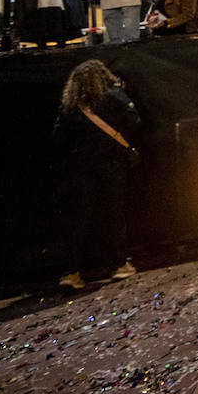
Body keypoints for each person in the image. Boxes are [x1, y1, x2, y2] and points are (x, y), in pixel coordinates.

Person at [51, 59, 141, 289]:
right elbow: (133, 121)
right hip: (112, 162)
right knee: (115, 212)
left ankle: (72, 272)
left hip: (80, 165)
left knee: (79, 217)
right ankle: (120, 264)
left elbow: (59, 138)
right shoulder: (114, 96)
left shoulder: (70, 105)